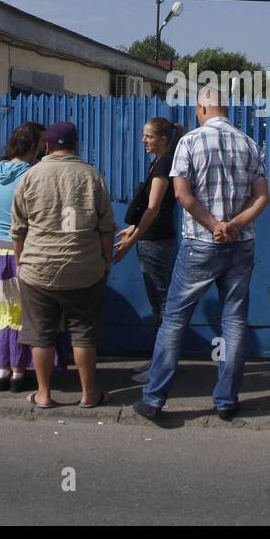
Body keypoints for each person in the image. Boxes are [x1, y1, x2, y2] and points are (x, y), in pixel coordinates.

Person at [134, 87, 270, 422]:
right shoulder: (249, 143)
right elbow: (263, 197)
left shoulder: (189, 143)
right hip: (240, 244)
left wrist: (213, 226)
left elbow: (181, 194)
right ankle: (226, 401)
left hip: (200, 243)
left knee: (175, 320)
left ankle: (154, 399)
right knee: (234, 321)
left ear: (201, 108)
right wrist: (234, 225)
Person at [11, 122, 116, 408]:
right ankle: (88, 394)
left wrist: (21, 263)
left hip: (38, 269)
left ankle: (43, 394)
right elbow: (107, 228)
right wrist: (106, 263)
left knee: (41, 334)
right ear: (76, 145)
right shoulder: (92, 177)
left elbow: (18, 229)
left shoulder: (30, 177)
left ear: (47, 146)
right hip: (84, 268)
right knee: (84, 333)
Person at [113, 116, 181, 382]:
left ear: (163, 138)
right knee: (159, 303)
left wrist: (133, 239)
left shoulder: (165, 163)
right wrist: (132, 230)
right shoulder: (160, 161)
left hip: (156, 242)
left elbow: (154, 207)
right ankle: (159, 361)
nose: (144, 140)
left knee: (163, 305)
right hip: (152, 239)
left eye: (149, 136)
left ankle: (163, 368)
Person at [0, 125, 42, 392]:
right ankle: (20, 372)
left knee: (3, 313)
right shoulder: (31, 174)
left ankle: (2, 370)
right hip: (21, 250)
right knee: (23, 315)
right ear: (33, 145)